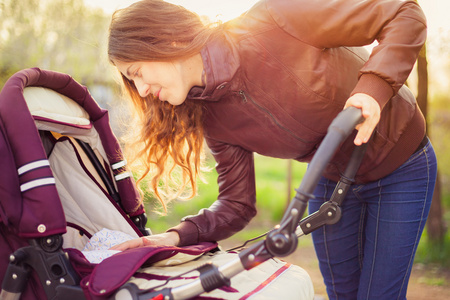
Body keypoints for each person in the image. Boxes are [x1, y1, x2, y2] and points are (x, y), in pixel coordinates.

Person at [107, 0, 437, 298]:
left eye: (136, 73)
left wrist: (371, 90)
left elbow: (404, 14)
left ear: (168, 39)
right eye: (130, 81)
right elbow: (237, 205)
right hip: (330, 181)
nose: (142, 90)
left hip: (401, 166)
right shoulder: (210, 116)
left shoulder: (276, 19)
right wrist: (174, 238)